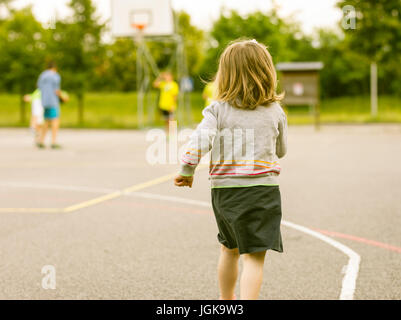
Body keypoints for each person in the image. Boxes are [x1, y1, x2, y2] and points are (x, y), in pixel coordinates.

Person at [174, 39, 288, 300]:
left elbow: (199, 141)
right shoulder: (275, 111)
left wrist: (187, 170)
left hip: (225, 193)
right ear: (266, 72)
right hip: (262, 191)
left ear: (225, 75)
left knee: (229, 249)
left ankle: (227, 302)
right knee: (254, 258)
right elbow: (281, 150)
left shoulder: (217, 110)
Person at [37, 61, 62, 149]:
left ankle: (41, 141)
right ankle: (53, 142)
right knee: (55, 121)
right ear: (55, 68)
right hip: (53, 101)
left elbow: (39, 87)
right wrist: (62, 97)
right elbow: (56, 90)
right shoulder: (55, 76)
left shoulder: (42, 75)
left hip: (44, 101)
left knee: (47, 120)